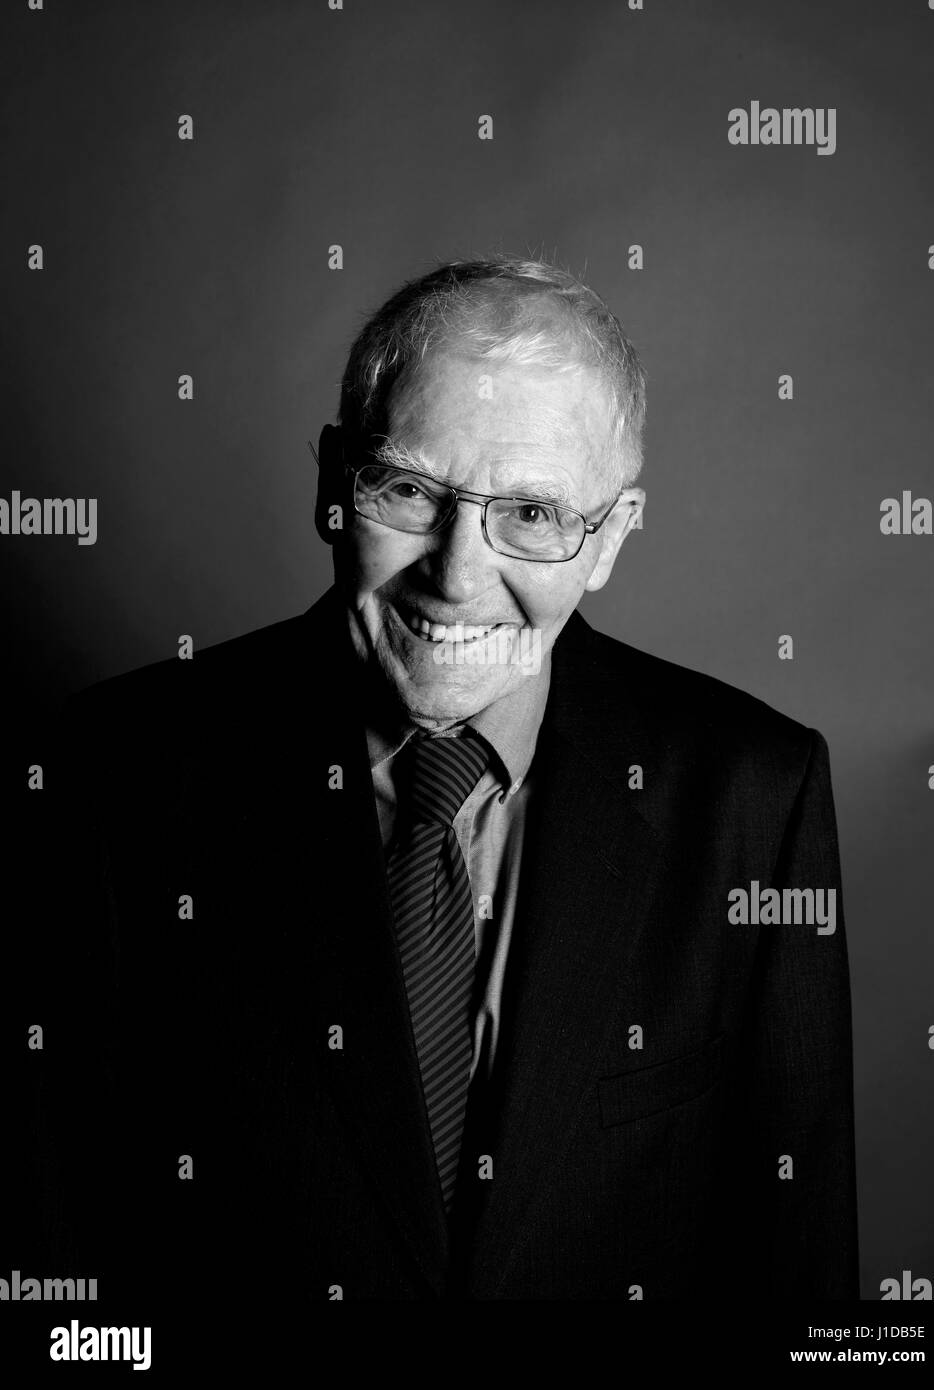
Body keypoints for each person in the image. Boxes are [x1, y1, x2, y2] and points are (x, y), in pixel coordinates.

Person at [40, 256, 858, 1307]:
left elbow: (804, 1286)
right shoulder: (111, 776)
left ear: (609, 540)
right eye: (409, 490)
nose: (458, 576)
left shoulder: (755, 792)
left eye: (533, 514)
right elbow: (58, 1272)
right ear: (336, 481)